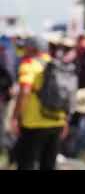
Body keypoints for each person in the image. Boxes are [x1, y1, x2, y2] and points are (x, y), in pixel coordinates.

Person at [10, 37, 68, 170]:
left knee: (26, 163)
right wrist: (65, 120)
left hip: (33, 123)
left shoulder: (29, 64)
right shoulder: (58, 64)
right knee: (48, 165)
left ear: (31, 48)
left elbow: (24, 91)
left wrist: (15, 117)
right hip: (57, 121)